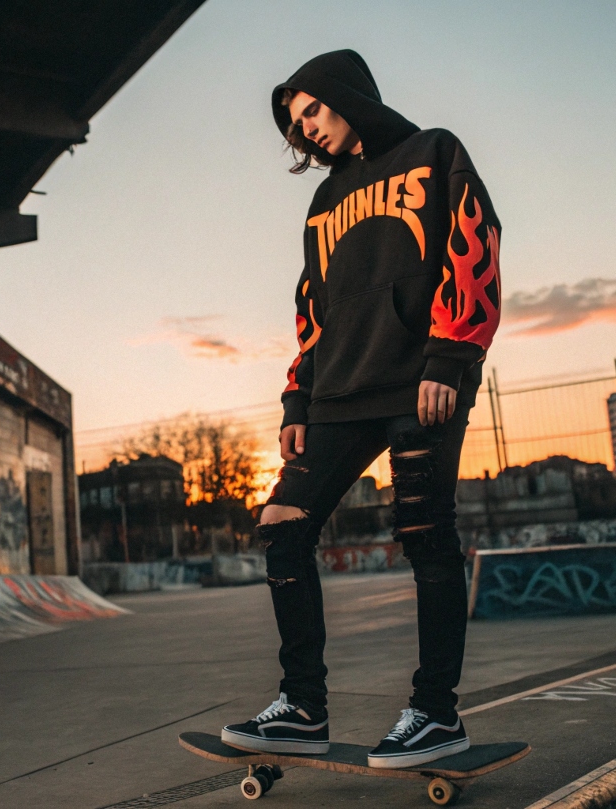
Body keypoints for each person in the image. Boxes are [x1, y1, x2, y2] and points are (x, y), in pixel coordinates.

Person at [220, 50, 501, 769]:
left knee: (424, 535)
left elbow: (475, 242)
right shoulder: (321, 205)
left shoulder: (432, 152)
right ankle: (302, 707)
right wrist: (295, 398)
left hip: (420, 381)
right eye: (294, 123)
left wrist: (449, 357)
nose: (305, 129)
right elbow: (312, 312)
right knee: (282, 523)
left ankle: (435, 713)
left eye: (311, 109)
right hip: (339, 393)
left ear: (346, 93)